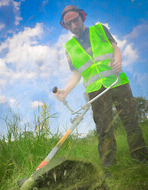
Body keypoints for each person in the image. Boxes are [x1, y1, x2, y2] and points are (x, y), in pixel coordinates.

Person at [55, 5, 147, 171]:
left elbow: (114, 47)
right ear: (65, 26)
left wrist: (118, 60)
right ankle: (108, 167)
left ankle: (141, 159)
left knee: (131, 121)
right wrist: (66, 90)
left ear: (82, 17)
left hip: (117, 81)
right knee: (104, 129)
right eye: (69, 24)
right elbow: (76, 73)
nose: (74, 25)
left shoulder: (99, 29)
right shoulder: (69, 47)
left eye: (75, 20)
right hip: (96, 90)